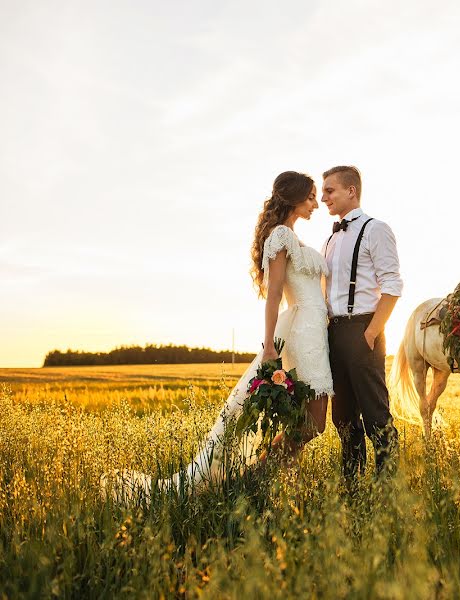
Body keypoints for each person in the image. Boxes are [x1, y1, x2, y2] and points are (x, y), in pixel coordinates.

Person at [102, 171, 333, 502]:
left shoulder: (293, 237)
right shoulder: (281, 236)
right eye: (311, 197)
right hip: (301, 335)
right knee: (314, 423)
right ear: (295, 197)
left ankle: (280, 487)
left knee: (305, 421)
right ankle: (257, 477)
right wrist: (269, 346)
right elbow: (274, 296)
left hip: (314, 333)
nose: (316, 203)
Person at [321, 165, 402, 482]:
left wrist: (371, 332)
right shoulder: (330, 238)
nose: (325, 197)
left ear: (350, 191)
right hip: (335, 332)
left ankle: (387, 487)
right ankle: (352, 486)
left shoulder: (375, 229)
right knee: (342, 418)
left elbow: (393, 286)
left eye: (330, 190)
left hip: (363, 330)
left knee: (375, 415)